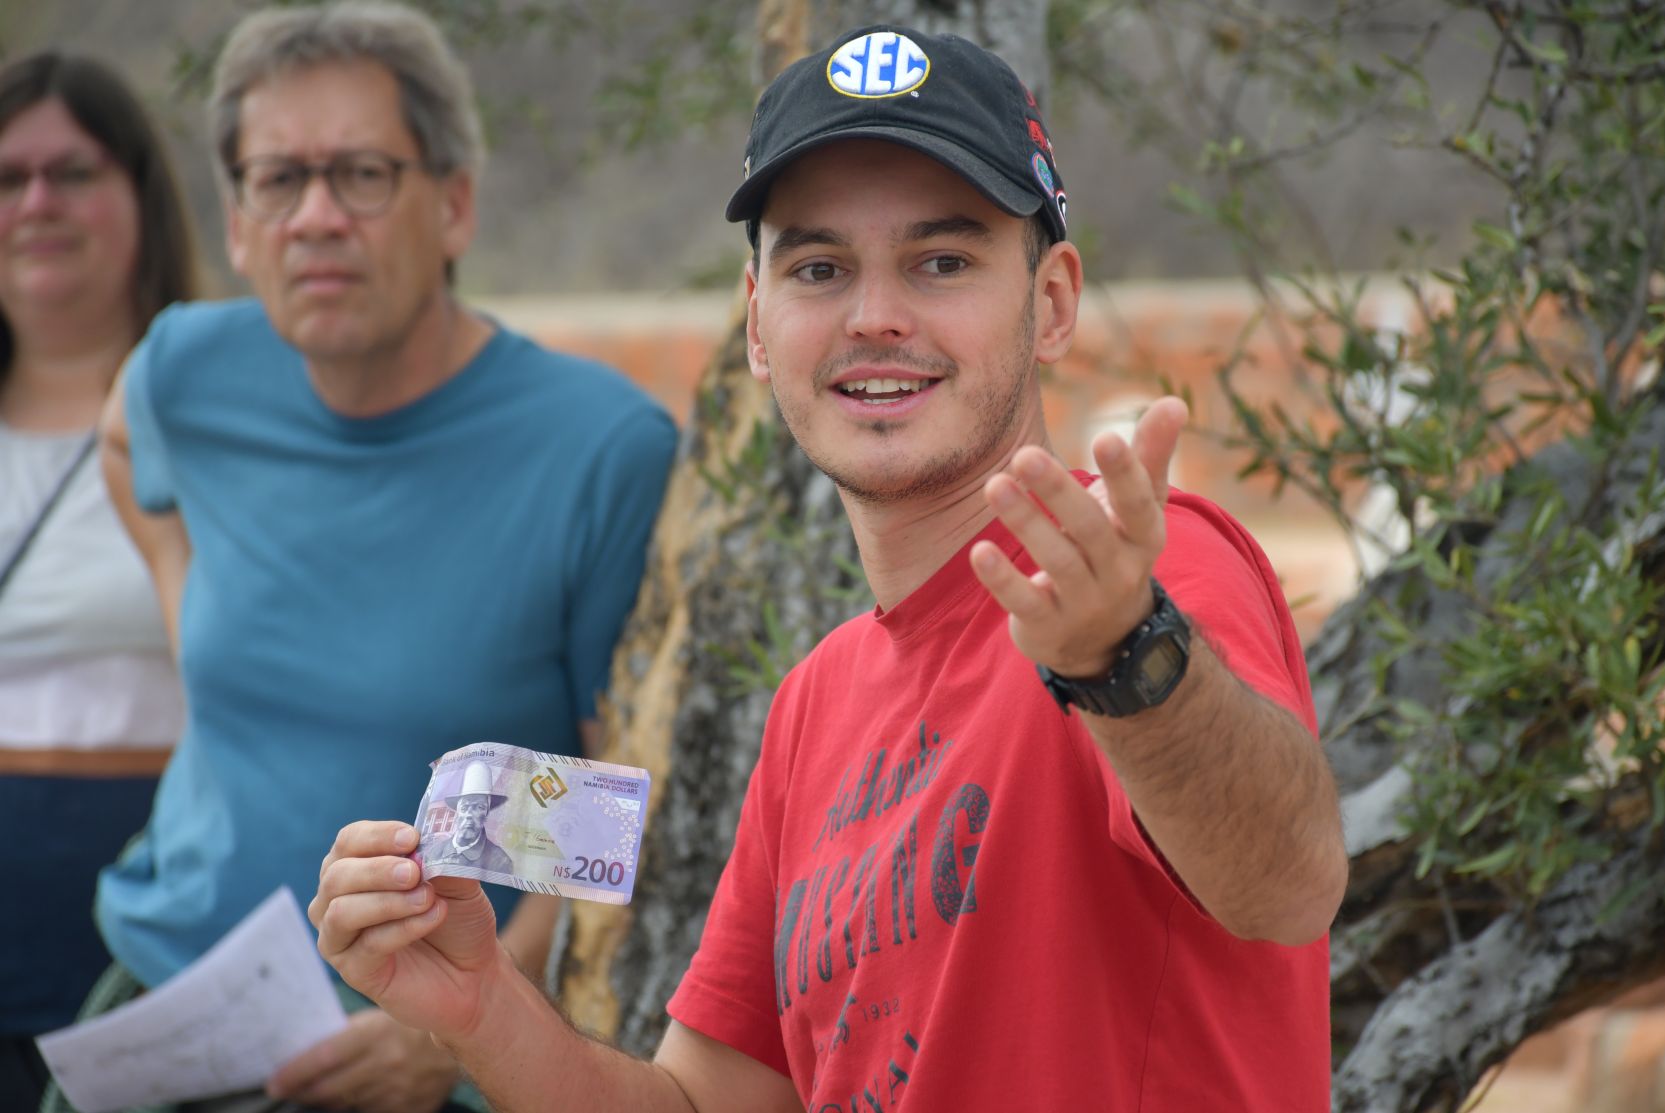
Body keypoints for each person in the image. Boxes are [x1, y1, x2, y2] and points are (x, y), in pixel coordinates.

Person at [311, 23, 1347, 1113]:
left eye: (940, 261)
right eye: (819, 268)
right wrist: (480, 1007)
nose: (875, 316)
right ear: (759, 328)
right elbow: (702, 1102)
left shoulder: (1149, 573)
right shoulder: (815, 703)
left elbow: (1289, 885)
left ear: (1048, 303)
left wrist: (1125, 658)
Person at [58, 3, 676, 1112]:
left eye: (360, 174)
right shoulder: (187, 375)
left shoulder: (597, 450)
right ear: (237, 224)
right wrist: (194, 609)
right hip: (168, 1002)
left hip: (425, 1050)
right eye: (276, 180)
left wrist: (452, 1037)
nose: (316, 217)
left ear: (453, 205)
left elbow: (616, 814)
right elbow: (121, 444)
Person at [0, 51, 198, 1112]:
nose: (36, 203)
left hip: (141, 956)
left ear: (139, 197)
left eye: (72, 173)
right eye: (7, 177)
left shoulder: (219, 419)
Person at [421, 761, 514, 875]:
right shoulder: (434, 854)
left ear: (486, 812)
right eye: (465, 807)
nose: (469, 814)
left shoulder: (500, 861)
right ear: (457, 811)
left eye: (479, 807)